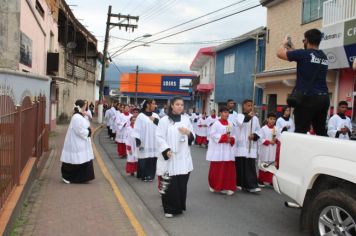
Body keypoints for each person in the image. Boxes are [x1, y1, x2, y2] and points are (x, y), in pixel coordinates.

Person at [277, 29, 329, 136]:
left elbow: (279, 53)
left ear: (307, 40)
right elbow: (307, 58)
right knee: (321, 131)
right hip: (324, 98)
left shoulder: (303, 54)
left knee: (300, 131)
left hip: (308, 98)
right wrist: (293, 49)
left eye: (303, 40)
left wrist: (284, 43)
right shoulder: (324, 56)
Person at [156, 96, 195, 218]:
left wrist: (188, 133)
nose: (180, 107)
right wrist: (166, 149)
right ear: (172, 105)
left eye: (182, 105)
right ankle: (169, 208)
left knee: (181, 183)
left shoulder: (186, 119)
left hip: (183, 157)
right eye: (177, 104)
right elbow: (159, 137)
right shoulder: (164, 120)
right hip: (170, 155)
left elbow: (193, 135)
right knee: (169, 183)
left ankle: (179, 206)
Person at [60, 99, 95, 184]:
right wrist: (89, 131)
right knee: (73, 160)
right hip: (77, 142)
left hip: (80, 142)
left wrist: (89, 129)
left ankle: (81, 177)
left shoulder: (79, 116)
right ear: (80, 107)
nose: (85, 109)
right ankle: (67, 177)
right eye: (84, 107)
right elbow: (79, 130)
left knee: (81, 160)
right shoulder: (76, 117)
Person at [206, 107, 236, 195]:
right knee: (217, 168)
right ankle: (214, 185)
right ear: (221, 113)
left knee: (228, 169)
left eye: (227, 113)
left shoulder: (230, 123)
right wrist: (224, 138)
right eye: (225, 112)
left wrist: (231, 139)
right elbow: (212, 134)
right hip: (218, 150)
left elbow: (234, 135)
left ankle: (227, 187)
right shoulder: (216, 123)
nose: (227, 114)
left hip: (228, 150)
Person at [234, 99, 261, 193]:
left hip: (250, 145)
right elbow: (241, 123)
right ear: (244, 106)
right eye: (248, 105)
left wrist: (254, 136)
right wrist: (249, 117)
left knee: (250, 166)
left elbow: (259, 130)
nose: (250, 107)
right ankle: (240, 183)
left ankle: (252, 185)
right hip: (241, 146)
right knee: (241, 166)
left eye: (251, 105)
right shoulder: (239, 116)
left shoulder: (255, 119)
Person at [133, 99, 160, 182]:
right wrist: (137, 140)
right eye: (153, 104)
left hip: (154, 142)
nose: (155, 105)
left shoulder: (156, 115)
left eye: (155, 104)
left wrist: (155, 120)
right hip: (144, 141)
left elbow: (161, 126)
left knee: (152, 159)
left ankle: (150, 175)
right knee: (143, 158)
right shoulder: (141, 116)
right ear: (148, 105)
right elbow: (137, 128)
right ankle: (142, 174)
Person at [258, 113, 280, 186]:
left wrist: (276, 140)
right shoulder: (263, 128)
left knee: (271, 164)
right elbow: (260, 139)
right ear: (267, 119)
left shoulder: (276, 129)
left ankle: (270, 180)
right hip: (265, 149)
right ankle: (261, 180)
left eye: (274, 119)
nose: (272, 121)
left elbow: (279, 138)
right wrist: (269, 142)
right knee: (264, 163)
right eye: (271, 119)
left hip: (273, 149)